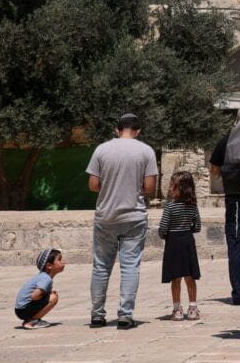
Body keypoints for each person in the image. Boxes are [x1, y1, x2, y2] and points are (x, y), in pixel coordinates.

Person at [86, 112, 158, 330]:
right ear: (138, 131)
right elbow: (149, 188)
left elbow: (93, 185)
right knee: (130, 266)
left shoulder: (101, 150)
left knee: (100, 267)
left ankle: (97, 314)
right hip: (133, 216)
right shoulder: (146, 151)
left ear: (116, 129)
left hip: (106, 216)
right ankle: (125, 315)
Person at [208, 135, 240, 305]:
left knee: (236, 246)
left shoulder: (227, 140)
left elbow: (214, 171)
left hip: (236, 198)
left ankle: (239, 293)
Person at [159, 171, 202, 321]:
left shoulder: (169, 207)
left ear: (181, 189)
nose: (170, 188)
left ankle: (177, 309)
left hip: (173, 243)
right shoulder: (193, 207)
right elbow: (197, 227)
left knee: (175, 277)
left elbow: (163, 228)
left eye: (173, 186)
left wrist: (164, 235)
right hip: (188, 241)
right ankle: (193, 308)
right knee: (190, 276)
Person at [16, 249, 64, 329]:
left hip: (20, 309)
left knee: (51, 296)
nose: (63, 262)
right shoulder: (46, 279)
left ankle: (32, 319)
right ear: (49, 266)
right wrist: (48, 295)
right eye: (59, 260)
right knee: (53, 298)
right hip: (23, 310)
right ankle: (32, 321)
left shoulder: (43, 277)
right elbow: (34, 296)